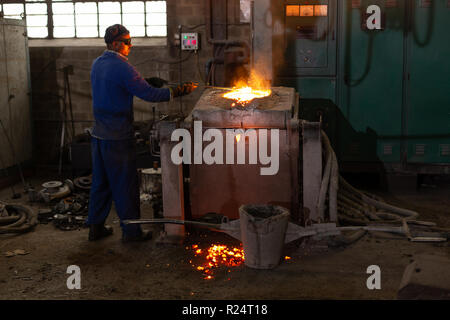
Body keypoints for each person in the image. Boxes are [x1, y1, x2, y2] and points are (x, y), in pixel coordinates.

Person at [87, 24, 197, 242]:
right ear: (117, 43)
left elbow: (117, 86)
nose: (131, 45)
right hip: (118, 137)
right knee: (125, 185)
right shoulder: (121, 66)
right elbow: (150, 95)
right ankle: (131, 233)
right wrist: (176, 91)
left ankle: (95, 227)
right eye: (127, 42)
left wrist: (145, 81)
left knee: (101, 182)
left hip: (99, 135)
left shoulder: (98, 63)